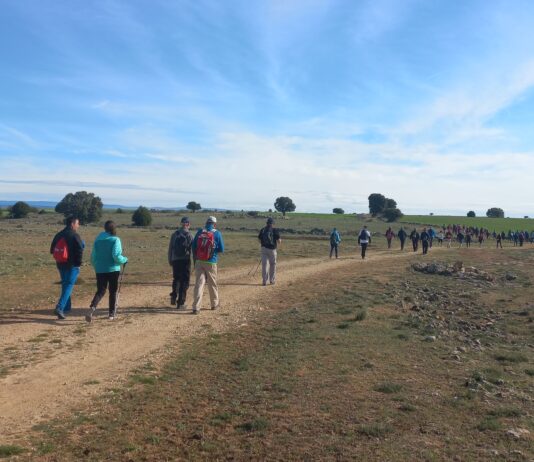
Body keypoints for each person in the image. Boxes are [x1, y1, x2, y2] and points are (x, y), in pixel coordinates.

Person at [86, 220, 128, 321]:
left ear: (105, 228)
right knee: (112, 291)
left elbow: (93, 257)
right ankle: (111, 314)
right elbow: (116, 256)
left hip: (100, 269)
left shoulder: (98, 240)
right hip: (113, 269)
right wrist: (124, 259)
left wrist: (97, 266)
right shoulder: (115, 239)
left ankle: (92, 307)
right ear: (114, 229)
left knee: (100, 291)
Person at [50, 216, 84, 320]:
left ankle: (66, 307)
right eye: (77, 223)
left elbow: (52, 250)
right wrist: (78, 263)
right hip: (72, 265)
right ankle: (60, 307)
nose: (78, 226)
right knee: (69, 285)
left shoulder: (59, 234)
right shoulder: (75, 235)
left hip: (60, 264)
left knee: (65, 284)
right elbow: (80, 250)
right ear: (72, 223)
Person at [191, 216, 224, 315]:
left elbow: (193, 246)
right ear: (214, 224)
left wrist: (197, 258)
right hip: (211, 262)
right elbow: (221, 249)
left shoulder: (200, 232)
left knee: (199, 284)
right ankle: (214, 304)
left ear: (206, 223)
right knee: (212, 283)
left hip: (199, 261)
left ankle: (196, 307)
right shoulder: (217, 233)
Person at [168, 217, 193, 309]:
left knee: (176, 279)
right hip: (185, 260)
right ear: (187, 224)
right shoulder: (189, 235)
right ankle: (181, 303)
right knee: (184, 281)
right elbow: (192, 249)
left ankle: (174, 296)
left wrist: (170, 260)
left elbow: (170, 248)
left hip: (175, 260)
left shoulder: (174, 234)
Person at [258, 217, 282, 284]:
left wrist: (263, 245)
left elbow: (259, 240)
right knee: (272, 264)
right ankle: (272, 280)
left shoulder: (262, 230)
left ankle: (264, 281)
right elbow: (279, 241)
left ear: (267, 223)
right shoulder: (275, 230)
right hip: (272, 250)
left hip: (264, 249)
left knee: (264, 265)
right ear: (272, 223)